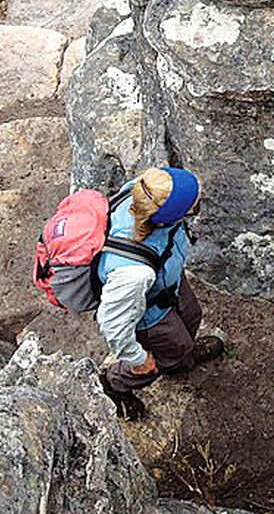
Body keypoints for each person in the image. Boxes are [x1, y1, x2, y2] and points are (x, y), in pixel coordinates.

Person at [98, 166, 224, 419]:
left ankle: (182, 357)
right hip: (149, 316)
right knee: (168, 350)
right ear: (171, 218)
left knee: (192, 316)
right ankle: (115, 384)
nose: (200, 200)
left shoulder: (145, 190)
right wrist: (137, 359)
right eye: (194, 204)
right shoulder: (132, 272)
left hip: (168, 282)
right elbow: (112, 323)